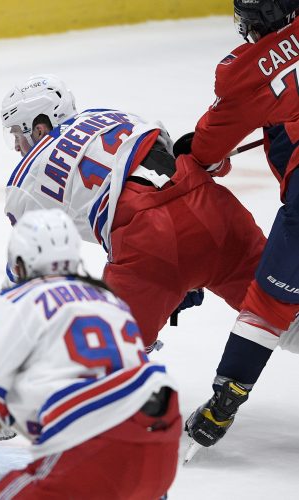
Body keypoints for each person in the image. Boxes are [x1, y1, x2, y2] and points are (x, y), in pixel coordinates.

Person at [0, 74, 267, 354]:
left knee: (110, 356)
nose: (17, 145)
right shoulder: (113, 115)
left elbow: (27, 269)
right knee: (280, 310)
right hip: (213, 208)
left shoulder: (24, 183)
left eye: (18, 133)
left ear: (39, 128)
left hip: (148, 243)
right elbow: (209, 164)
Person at [0, 209, 180, 499]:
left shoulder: (14, 303)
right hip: (161, 442)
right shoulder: (108, 300)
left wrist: (9, 407)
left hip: (96, 446)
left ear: (19, 262)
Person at [179, 0, 299, 449]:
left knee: (269, 305)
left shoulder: (245, 70)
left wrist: (201, 154)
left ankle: (223, 402)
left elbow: (210, 144)